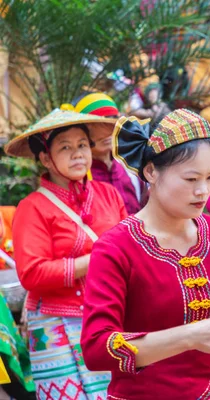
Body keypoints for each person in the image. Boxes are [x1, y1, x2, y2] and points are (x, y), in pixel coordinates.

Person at [80, 109, 210, 399]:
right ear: (151, 171)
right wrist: (188, 337)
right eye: (190, 179)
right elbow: (97, 349)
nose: (202, 191)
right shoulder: (116, 247)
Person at [5, 109, 129, 399]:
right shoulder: (32, 207)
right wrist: (97, 258)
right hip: (54, 326)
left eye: (83, 145)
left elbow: (129, 248)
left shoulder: (109, 195)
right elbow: (32, 274)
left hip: (110, 315)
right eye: (65, 147)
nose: (77, 154)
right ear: (46, 158)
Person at [63, 92, 147, 214]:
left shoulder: (130, 166)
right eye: (97, 125)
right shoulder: (78, 176)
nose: (106, 132)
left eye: (111, 122)